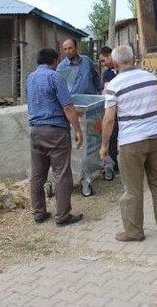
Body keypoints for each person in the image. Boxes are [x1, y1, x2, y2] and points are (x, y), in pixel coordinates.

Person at [99, 45, 157, 242]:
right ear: (134, 58)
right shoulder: (151, 78)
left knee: (133, 188)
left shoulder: (113, 86)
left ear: (114, 63)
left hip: (131, 142)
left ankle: (134, 231)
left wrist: (104, 146)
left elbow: (108, 120)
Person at [26, 48, 84, 226]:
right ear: (54, 61)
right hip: (56, 131)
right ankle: (63, 216)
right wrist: (77, 129)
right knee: (62, 174)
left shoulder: (30, 78)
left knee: (37, 174)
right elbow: (67, 107)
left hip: (36, 131)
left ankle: (39, 213)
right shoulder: (55, 77)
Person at [98, 46, 119, 172]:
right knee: (112, 136)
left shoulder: (122, 69)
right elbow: (105, 91)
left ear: (110, 56)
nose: (103, 63)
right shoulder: (107, 73)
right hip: (113, 110)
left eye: (103, 60)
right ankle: (113, 164)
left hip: (124, 109)